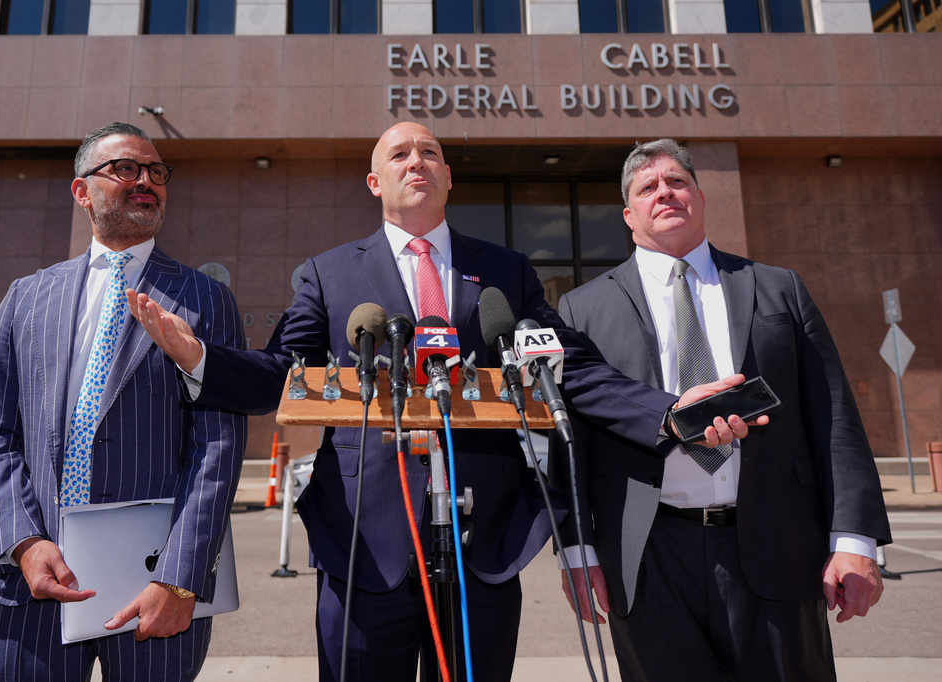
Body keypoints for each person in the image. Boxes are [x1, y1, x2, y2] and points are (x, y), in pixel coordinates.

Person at [125, 122, 752, 682]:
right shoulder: (330, 273)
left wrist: (670, 412)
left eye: (430, 151)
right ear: (375, 181)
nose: (416, 160)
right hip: (363, 542)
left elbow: (573, 367)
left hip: (487, 543)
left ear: (448, 177)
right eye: (399, 153)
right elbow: (279, 374)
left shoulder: (504, 271)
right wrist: (201, 359)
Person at [549, 138, 892, 681]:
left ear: (701, 199)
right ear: (628, 213)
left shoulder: (778, 288)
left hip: (776, 542)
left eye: (677, 182)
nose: (665, 193)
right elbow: (570, 447)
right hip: (647, 556)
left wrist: (854, 540)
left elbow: (834, 417)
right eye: (648, 187)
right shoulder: (582, 308)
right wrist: (576, 551)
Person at [0, 122, 247, 681]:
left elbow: (218, 449)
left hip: (153, 589)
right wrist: (23, 541)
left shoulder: (206, 300)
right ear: (82, 191)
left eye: (157, 172)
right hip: (34, 581)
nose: (147, 182)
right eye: (127, 169)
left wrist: (179, 576)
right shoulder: (26, 297)